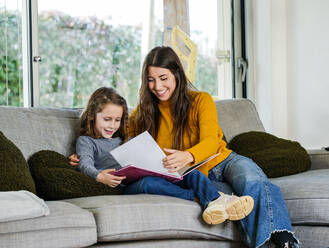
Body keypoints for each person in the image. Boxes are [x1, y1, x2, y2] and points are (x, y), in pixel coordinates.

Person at [71, 46, 298, 248]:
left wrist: (188, 156)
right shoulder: (143, 113)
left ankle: (284, 240)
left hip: (221, 161)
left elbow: (210, 141)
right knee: (237, 199)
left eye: (163, 78)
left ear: (177, 75)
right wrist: (85, 158)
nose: (157, 86)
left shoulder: (201, 100)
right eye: (151, 79)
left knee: (253, 180)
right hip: (190, 176)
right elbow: (123, 145)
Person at [74, 86, 254, 225]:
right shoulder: (86, 142)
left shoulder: (122, 137)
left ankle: (216, 201)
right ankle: (201, 198)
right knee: (148, 184)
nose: (112, 126)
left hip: (144, 172)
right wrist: (99, 176)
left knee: (190, 172)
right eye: (107, 120)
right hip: (125, 185)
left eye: (117, 120)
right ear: (91, 116)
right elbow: (85, 164)